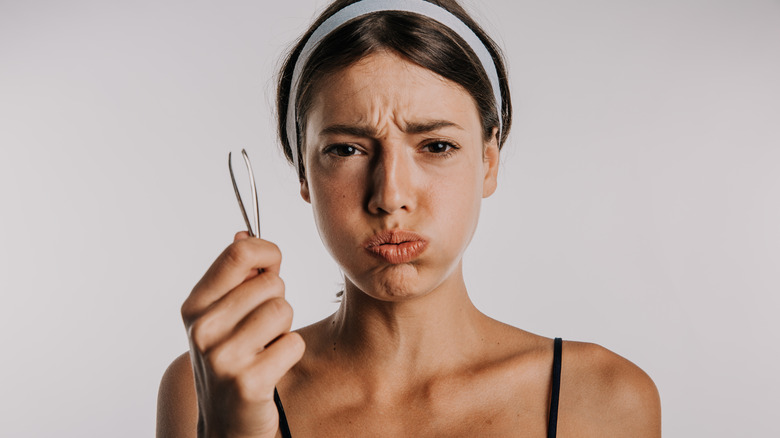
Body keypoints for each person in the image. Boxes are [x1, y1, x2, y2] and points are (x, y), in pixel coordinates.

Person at [157, 0, 661, 436]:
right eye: (347, 149)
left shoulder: (602, 398)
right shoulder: (211, 386)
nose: (390, 196)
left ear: (488, 162)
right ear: (303, 172)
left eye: (436, 145)